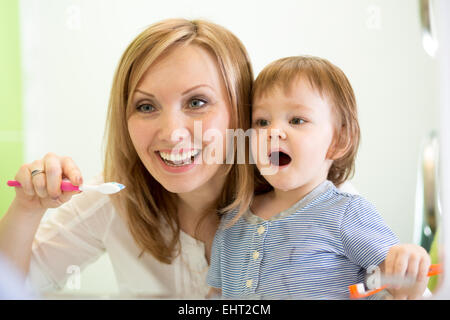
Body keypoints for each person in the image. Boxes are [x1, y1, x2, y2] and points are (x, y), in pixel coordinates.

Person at [0, 18, 254, 298]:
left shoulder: (296, 211)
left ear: (241, 109)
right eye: (146, 106)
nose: (171, 133)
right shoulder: (114, 198)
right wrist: (27, 208)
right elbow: (10, 285)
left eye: (196, 102)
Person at [206, 56, 431, 300]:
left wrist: (409, 264)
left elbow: (397, 281)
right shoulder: (233, 220)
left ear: (338, 141)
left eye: (297, 120)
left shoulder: (347, 212)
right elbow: (215, 295)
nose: (273, 132)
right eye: (262, 122)